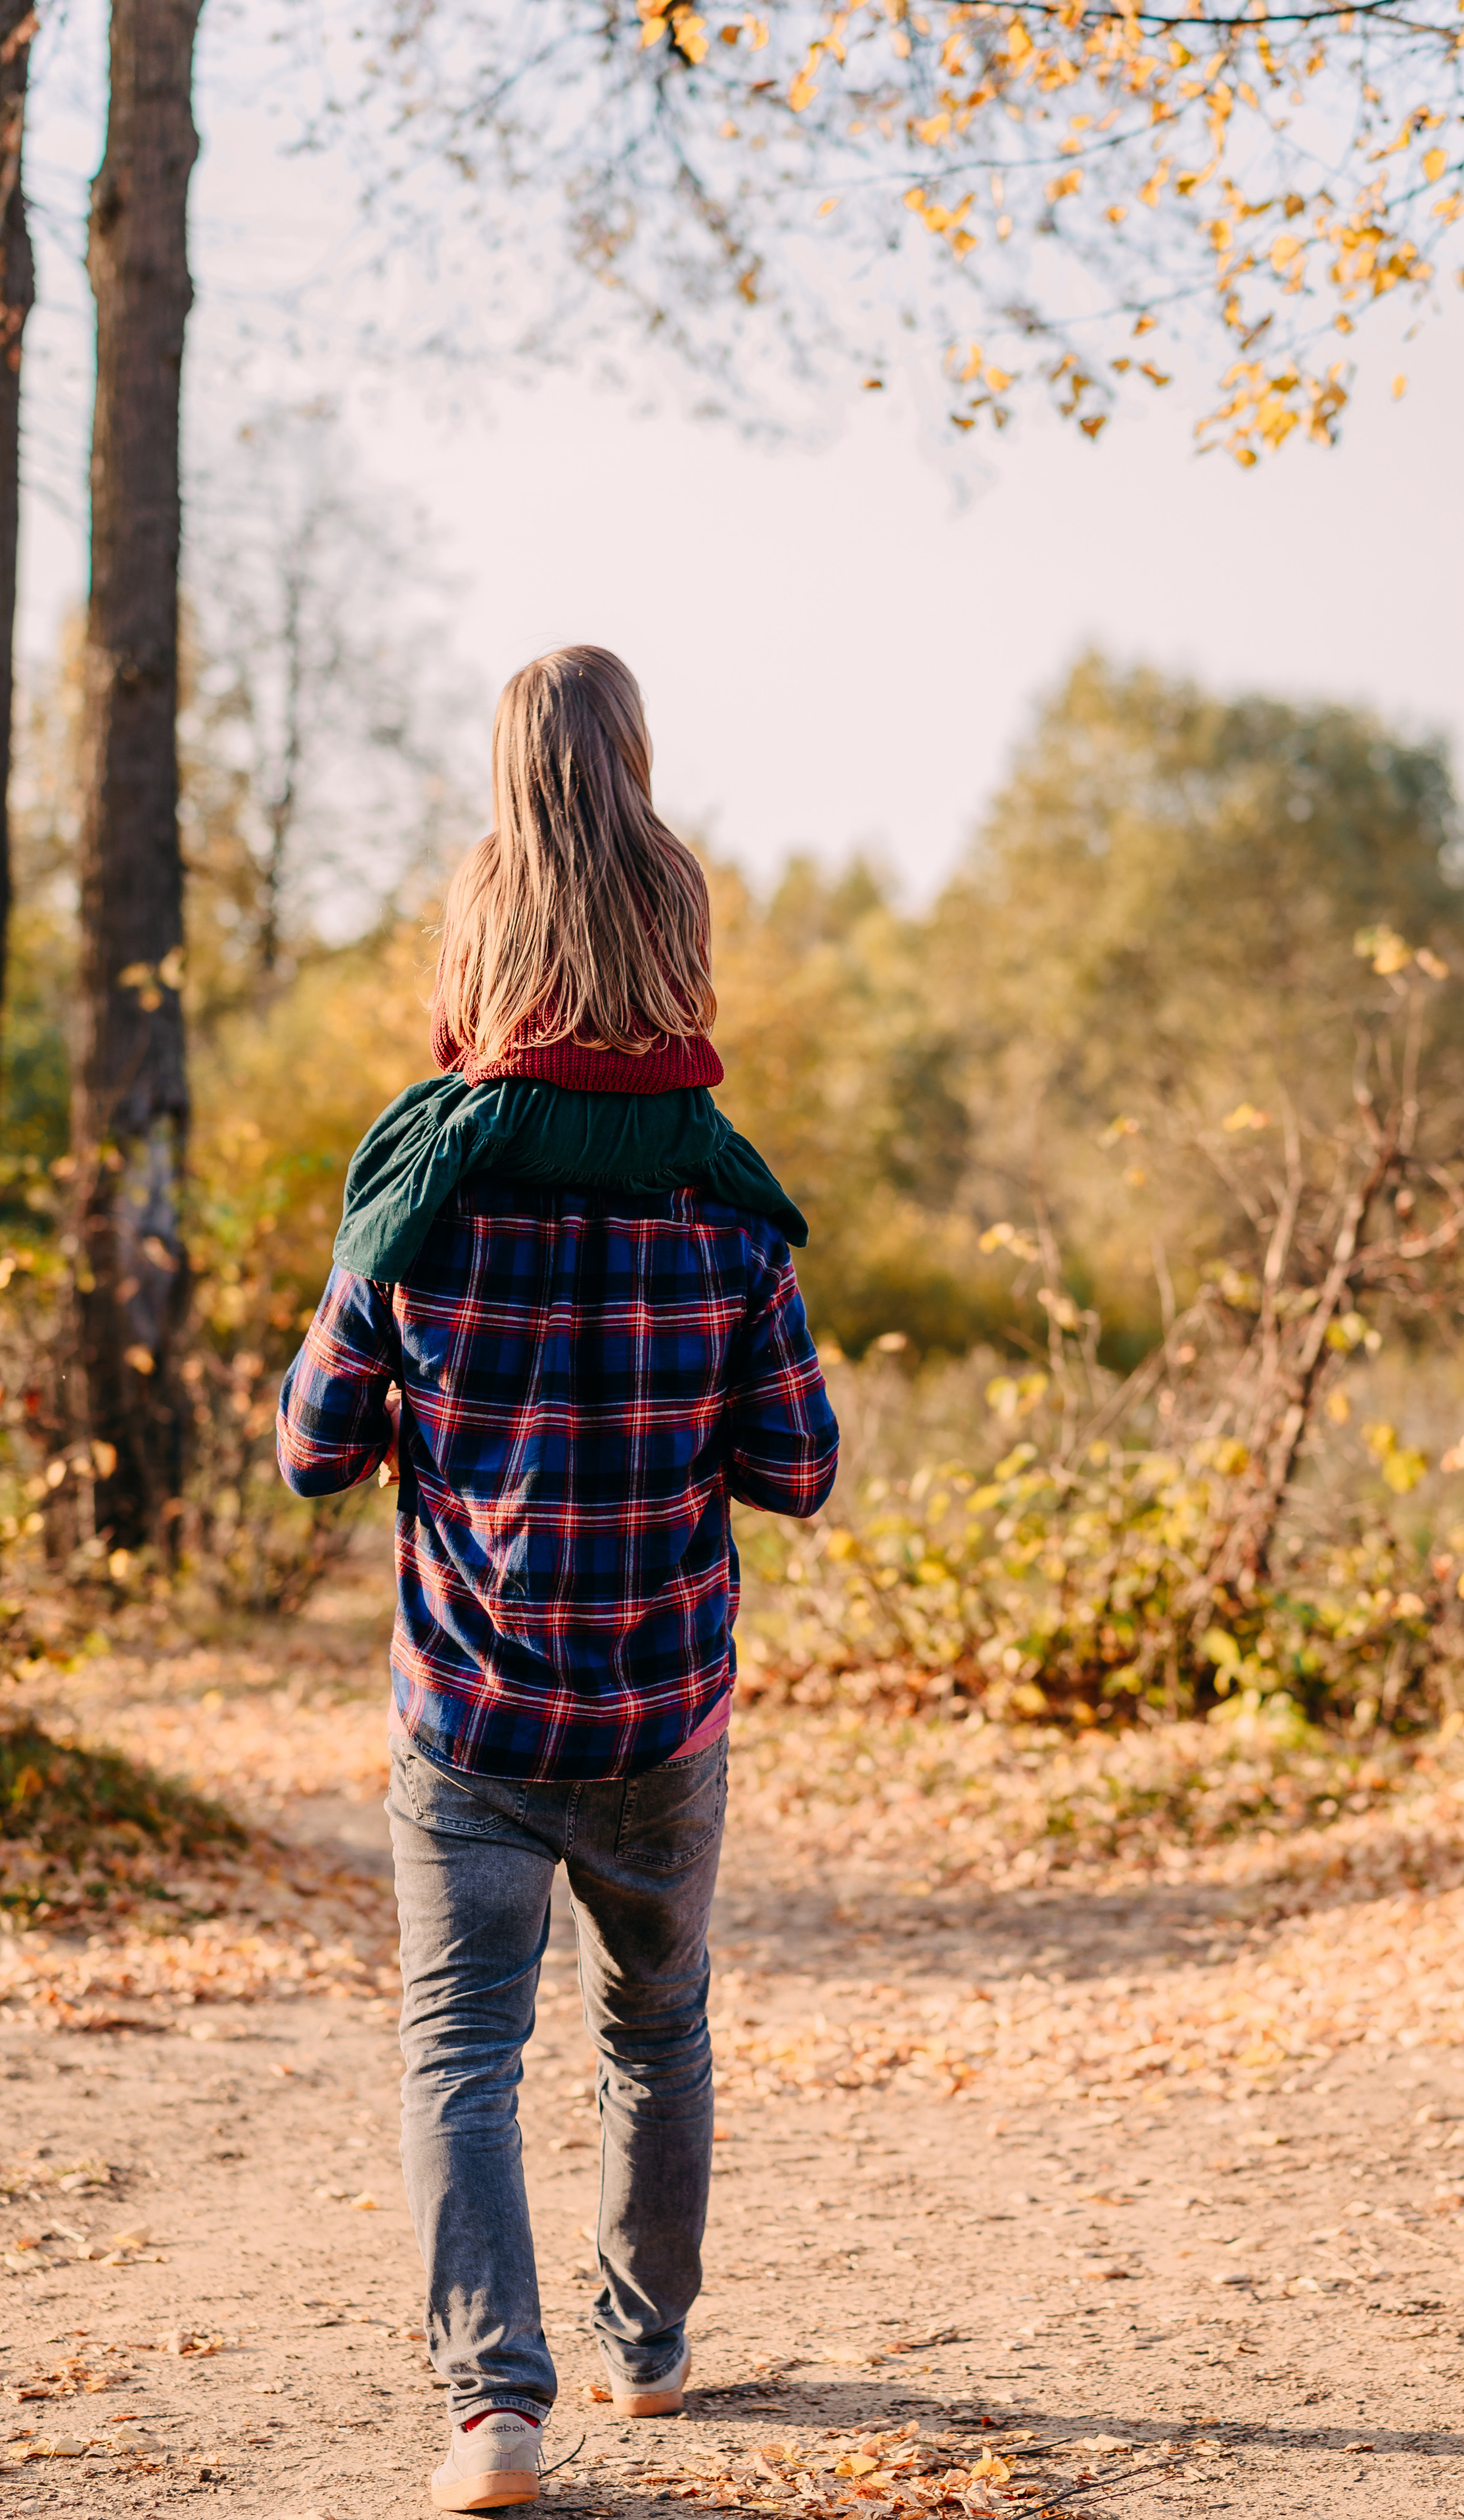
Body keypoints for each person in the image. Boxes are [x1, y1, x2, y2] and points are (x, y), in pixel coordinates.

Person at [277, 646, 839, 2513]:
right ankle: (649, 2344)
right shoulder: (730, 1219)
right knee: (654, 2020)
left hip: (471, 1706)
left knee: (463, 2040)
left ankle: (493, 2410)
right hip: (664, 1698)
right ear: (676, 961)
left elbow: (311, 1442)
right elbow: (802, 1468)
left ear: (477, 966)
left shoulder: (417, 1211)